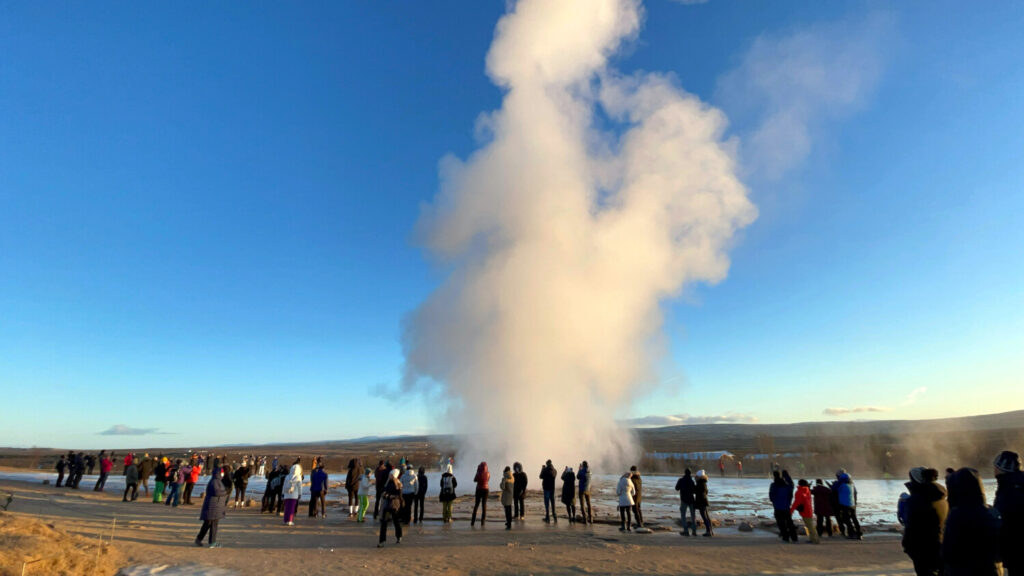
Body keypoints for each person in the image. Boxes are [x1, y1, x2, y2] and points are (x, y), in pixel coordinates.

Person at [942, 467, 1002, 576]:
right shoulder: (991, 511)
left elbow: (948, 552)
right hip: (991, 569)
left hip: (963, 570)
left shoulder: (957, 515)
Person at [902, 467, 948, 576]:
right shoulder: (940, 496)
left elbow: (911, 526)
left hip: (922, 547)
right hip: (939, 543)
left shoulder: (917, 500)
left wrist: (907, 545)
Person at [994, 450, 1024, 576]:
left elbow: (1005, 518)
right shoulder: (1017, 484)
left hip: (1014, 547)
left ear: (1001, 468)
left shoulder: (1008, 489)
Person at [195, 462, 228, 548]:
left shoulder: (217, 481)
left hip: (215, 506)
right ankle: (212, 542)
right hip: (213, 507)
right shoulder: (215, 481)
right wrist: (225, 492)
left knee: (208, 524)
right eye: (222, 472)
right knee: (213, 525)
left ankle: (199, 539)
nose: (223, 474)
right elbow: (216, 492)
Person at [770, 469, 798, 542]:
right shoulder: (787, 486)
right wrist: (786, 475)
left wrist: (774, 502)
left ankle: (785, 537)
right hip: (786, 507)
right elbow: (791, 484)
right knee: (789, 522)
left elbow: (771, 496)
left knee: (781, 523)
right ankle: (794, 537)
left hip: (777, 507)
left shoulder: (774, 485)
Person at [378, 468, 404, 547]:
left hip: (394, 506)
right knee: (383, 523)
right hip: (387, 505)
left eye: (390, 474)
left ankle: (399, 536)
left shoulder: (398, 484)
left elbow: (398, 496)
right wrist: (387, 495)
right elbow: (382, 492)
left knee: (396, 522)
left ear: (393, 475)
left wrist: (388, 495)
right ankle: (381, 541)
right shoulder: (387, 483)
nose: (389, 475)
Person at [835, 469, 863, 539]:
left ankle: (852, 533)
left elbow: (835, 490)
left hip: (844, 504)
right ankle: (859, 533)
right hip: (852, 503)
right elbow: (855, 493)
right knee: (854, 518)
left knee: (847, 519)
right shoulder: (851, 484)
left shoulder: (841, 484)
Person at [791, 479, 819, 543]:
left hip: (805, 511)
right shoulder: (807, 490)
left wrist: (791, 511)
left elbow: (796, 502)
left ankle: (815, 540)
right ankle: (814, 539)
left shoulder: (800, 491)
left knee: (810, 526)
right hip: (809, 510)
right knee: (810, 526)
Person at [675, 468, 697, 536]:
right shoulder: (692, 481)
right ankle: (694, 531)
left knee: (683, 515)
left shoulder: (681, 480)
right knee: (693, 516)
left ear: (684, 473)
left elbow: (676, 488)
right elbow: (694, 491)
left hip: (684, 500)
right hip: (691, 500)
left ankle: (686, 530)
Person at [282, 459, 303, 526]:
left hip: (286, 494)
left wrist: (283, 493)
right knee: (291, 508)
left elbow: (284, 485)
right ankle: (290, 520)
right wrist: (300, 493)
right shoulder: (298, 477)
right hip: (294, 494)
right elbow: (300, 486)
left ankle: (285, 520)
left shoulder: (287, 476)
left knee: (286, 508)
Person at [695, 469, 714, 537]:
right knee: (707, 517)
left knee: (704, 517)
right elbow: (706, 492)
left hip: (701, 502)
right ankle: (710, 531)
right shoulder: (704, 483)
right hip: (704, 501)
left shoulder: (700, 483)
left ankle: (709, 531)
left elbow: (697, 491)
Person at [471, 461, 490, 527]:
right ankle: (483, 522)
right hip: (486, 489)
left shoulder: (478, 473)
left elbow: (474, 480)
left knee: (476, 505)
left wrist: (477, 473)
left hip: (479, 489)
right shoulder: (488, 473)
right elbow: (488, 480)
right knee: (484, 505)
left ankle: (472, 522)